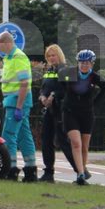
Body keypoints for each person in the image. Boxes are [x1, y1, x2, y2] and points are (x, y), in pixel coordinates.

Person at [57, 49, 105, 185]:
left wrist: (94, 103)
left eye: (87, 63)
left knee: (84, 146)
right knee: (76, 143)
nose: (84, 65)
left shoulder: (95, 77)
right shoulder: (69, 73)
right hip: (70, 112)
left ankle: (82, 173)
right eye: (82, 62)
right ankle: (80, 174)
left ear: (92, 64)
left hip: (87, 114)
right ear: (78, 63)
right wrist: (63, 98)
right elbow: (60, 81)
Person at [0, 30, 37, 182]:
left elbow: (24, 83)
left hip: (16, 102)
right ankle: (31, 170)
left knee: (8, 135)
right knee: (24, 136)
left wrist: (19, 107)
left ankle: (10, 169)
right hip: (15, 101)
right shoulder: (10, 57)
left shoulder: (18, 57)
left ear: (6, 43)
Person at [37, 44, 75, 182]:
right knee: (46, 140)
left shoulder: (66, 69)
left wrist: (54, 95)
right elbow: (44, 87)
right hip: (49, 110)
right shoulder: (49, 70)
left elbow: (69, 90)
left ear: (59, 55)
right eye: (49, 56)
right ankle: (48, 172)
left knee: (64, 142)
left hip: (61, 111)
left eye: (54, 55)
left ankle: (80, 171)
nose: (51, 58)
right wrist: (42, 96)